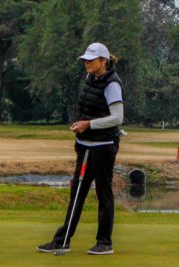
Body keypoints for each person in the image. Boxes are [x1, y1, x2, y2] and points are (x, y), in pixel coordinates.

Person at [37, 42, 124, 255]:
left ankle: (104, 242)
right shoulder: (90, 79)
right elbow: (89, 108)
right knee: (77, 192)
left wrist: (89, 124)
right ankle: (63, 240)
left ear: (103, 61)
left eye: (91, 60)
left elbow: (117, 118)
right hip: (85, 146)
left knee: (104, 194)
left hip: (103, 147)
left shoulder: (112, 84)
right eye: (85, 60)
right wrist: (81, 124)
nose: (86, 63)